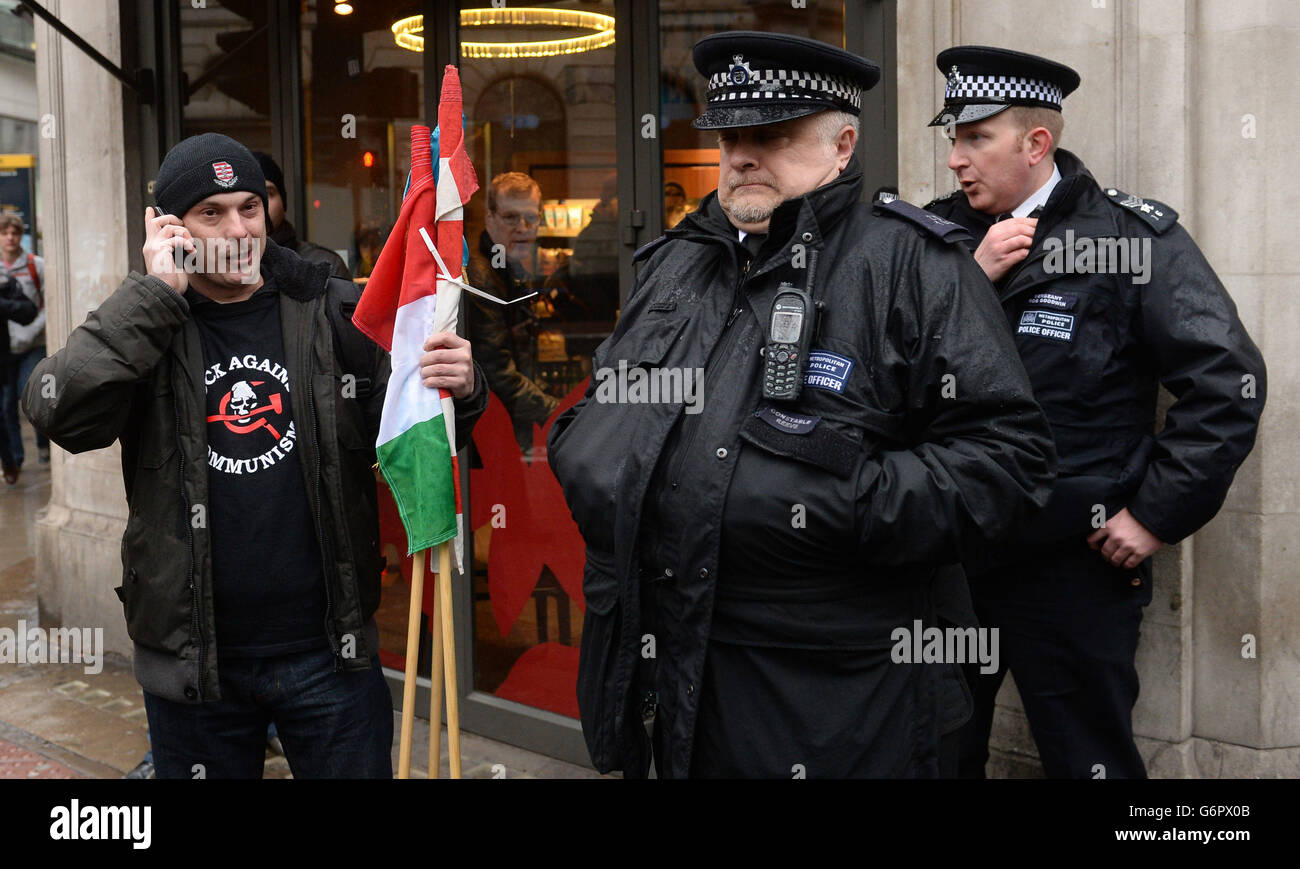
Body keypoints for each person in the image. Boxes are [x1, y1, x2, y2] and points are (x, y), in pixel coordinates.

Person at [547, 31, 1057, 779]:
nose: (742, 155)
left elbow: (1011, 464)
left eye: (772, 136)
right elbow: (605, 406)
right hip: (678, 677)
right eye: (730, 137)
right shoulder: (676, 262)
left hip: (835, 702)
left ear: (843, 143)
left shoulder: (912, 263)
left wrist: (843, 502)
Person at [23, 133, 487, 778]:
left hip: (329, 654)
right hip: (197, 664)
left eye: (249, 206)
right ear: (169, 226)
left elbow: (419, 421)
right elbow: (57, 412)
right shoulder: (148, 321)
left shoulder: (333, 309)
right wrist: (155, 295)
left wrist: (460, 386)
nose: (238, 228)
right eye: (210, 212)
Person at [922, 46, 1266, 779]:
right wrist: (968, 285)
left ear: (1035, 143)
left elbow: (1227, 382)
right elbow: (882, 377)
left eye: (974, 138)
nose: (955, 158)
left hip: (1071, 569)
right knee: (932, 753)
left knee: (1090, 762)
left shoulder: (1130, 241)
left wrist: (1156, 514)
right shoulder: (933, 240)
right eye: (952, 137)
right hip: (945, 557)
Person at [466, 171, 560, 453]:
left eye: (530, 217)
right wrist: (558, 413)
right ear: (490, 219)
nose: (522, 227)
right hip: (493, 434)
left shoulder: (506, 267)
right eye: (510, 218)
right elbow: (497, 374)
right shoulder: (482, 277)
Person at [251, 151, 350, 280]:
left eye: (268, 194)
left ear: (283, 202)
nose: (260, 205)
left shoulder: (324, 265)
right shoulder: (224, 267)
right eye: (249, 199)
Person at [0, 214, 47, 476]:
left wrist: (32, 331)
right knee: (6, 405)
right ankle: (15, 459)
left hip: (32, 342)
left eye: (15, 233)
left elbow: (46, 303)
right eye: (5, 233)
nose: (10, 238)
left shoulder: (34, 265)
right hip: (6, 349)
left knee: (31, 398)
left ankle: (43, 445)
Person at [0, 247, 37, 484]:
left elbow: (28, 311)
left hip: (5, 359)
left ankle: (11, 460)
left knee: (5, 409)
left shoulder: (3, 280)